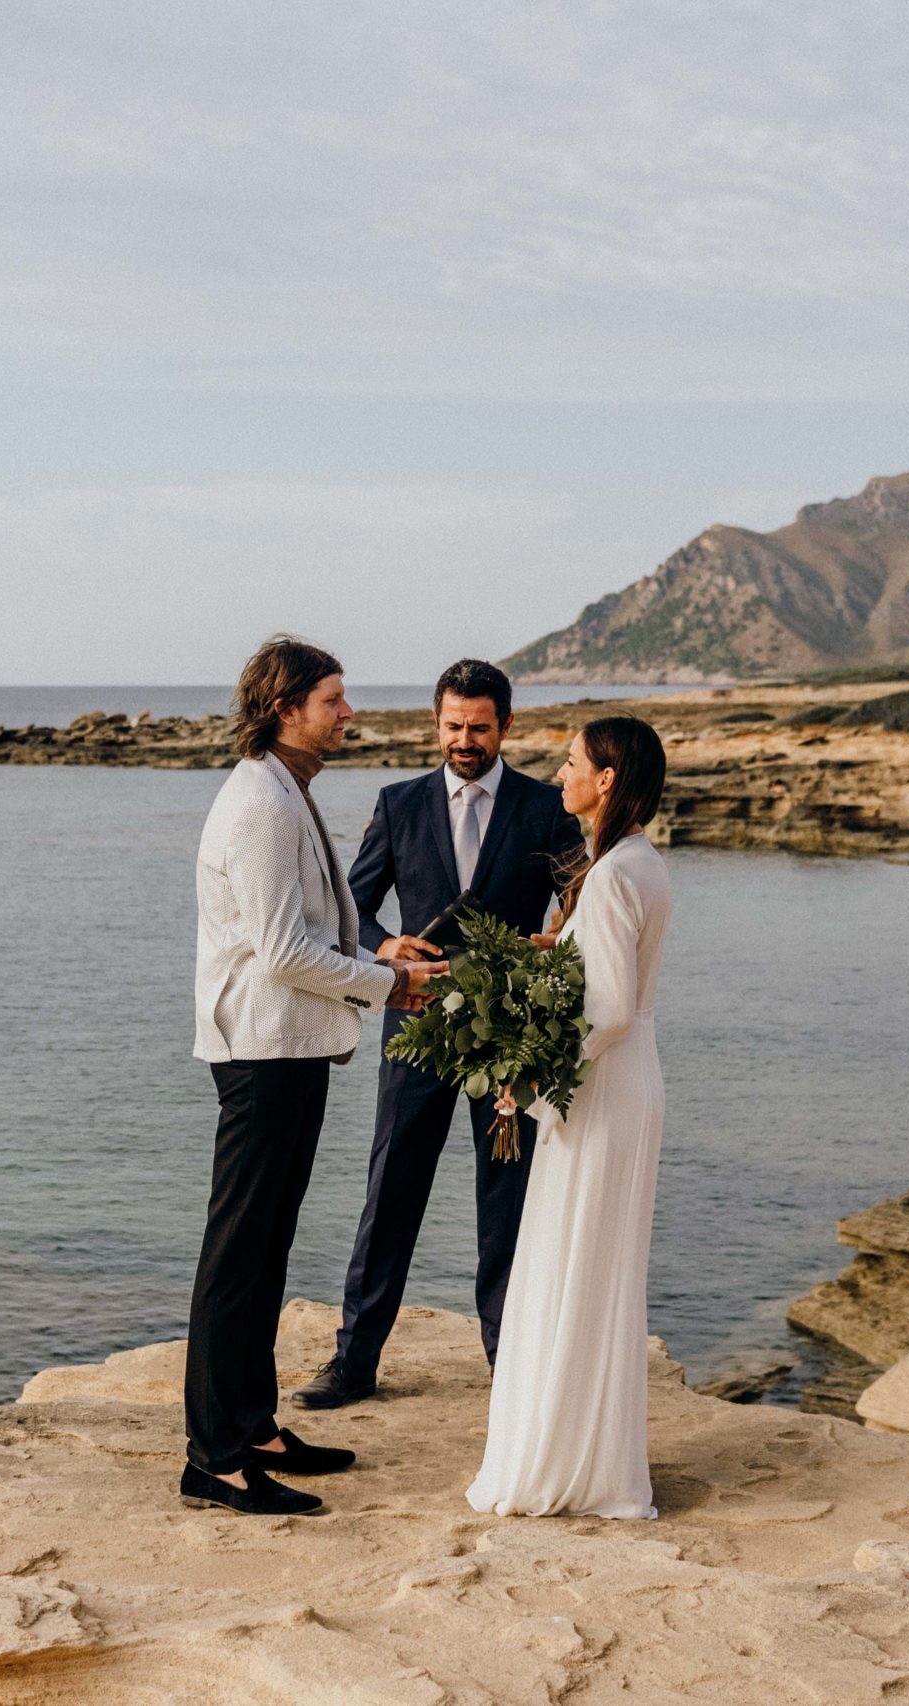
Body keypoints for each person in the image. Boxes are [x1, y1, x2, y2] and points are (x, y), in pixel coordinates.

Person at [182, 635, 448, 1517]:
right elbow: (283, 949)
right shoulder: (260, 803)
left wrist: (376, 947)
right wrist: (392, 982)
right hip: (259, 1051)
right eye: (335, 700)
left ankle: (253, 1428)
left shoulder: (284, 791)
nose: (349, 714)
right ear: (287, 706)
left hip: (289, 1047)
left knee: (265, 1248)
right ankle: (214, 1460)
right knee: (237, 1256)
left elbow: (310, 927)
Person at [292, 660, 587, 1411]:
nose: (465, 740)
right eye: (453, 726)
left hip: (509, 1038)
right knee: (390, 1192)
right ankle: (354, 1363)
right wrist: (385, 946)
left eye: (479, 728)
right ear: (437, 724)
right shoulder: (398, 805)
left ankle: (508, 1363)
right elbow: (348, 913)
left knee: (507, 1199)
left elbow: (586, 909)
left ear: (507, 727)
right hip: (415, 1032)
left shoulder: (546, 807)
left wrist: (554, 945)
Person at [466, 714, 671, 1520]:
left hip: (606, 1084)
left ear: (607, 779)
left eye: (571, 761)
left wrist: (532, 1071)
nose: (559, 773)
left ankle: (563, 1465)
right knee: (594, 1270)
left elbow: (611, 1009)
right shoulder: (639, 862)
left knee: (573, 1265)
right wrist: (551, 955)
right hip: (631, 1082)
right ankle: (591, 1457)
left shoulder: (615, 873)